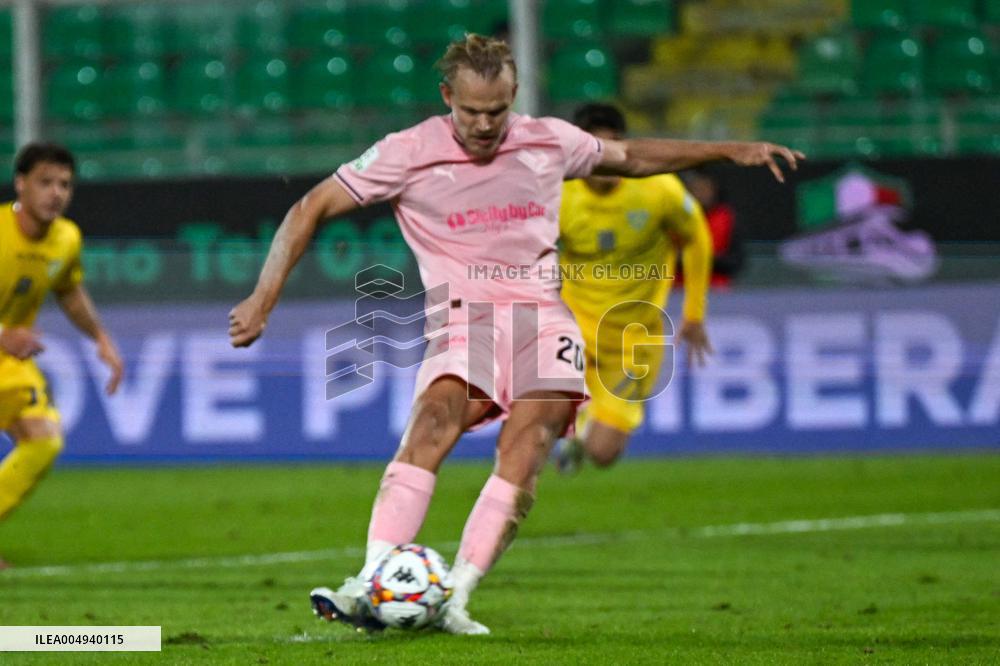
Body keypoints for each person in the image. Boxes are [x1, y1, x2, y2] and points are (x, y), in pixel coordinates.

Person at [228, 34, 802, 635]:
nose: (483, 124)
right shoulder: (405, 151)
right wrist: (262, 297)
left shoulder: (548, 140)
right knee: (434, 421)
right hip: (463, 316)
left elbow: (630, 157)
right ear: (447, 95)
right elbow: (309, 208)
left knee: (529, 446)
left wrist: (730, 150)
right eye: (471, 110)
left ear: (514, 96)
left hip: (542, 316)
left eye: (496, 111)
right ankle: (370, 582)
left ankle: (455, 598)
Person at [553, 103, 713, 475]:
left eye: (615, 145)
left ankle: (580, 435)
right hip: (574, 329)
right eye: (597, 146)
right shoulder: (559, 195)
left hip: (634, 342)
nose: (608, 157)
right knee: (534, 420)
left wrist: (694, 314)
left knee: (603, 453)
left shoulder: (658, 189)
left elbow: (697, 237)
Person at [0, 143, 124, 569]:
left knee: (43, 439)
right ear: (21, 184)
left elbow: (68, 291)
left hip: (7, 364)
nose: (56, 193)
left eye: (65, 184)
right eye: (45, 182)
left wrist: (100, 337)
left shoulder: (66, 238)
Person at [683, 168, 745, 288]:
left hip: (717, 291)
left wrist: (703, 258)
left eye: (705, 189)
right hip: (679, 291)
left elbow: (735, 261)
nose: (701, 194)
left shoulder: (727, 218)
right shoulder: (678, 217)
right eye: (696, 189)